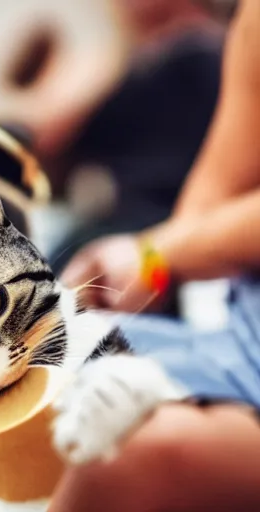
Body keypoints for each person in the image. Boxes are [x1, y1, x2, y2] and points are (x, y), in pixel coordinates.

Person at [50, 1, 260, 510]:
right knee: (22, 368)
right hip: (234, 342)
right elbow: (198, 219)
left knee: (131, 451)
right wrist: (146, 264)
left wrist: (152, 250)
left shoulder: (194, 55)